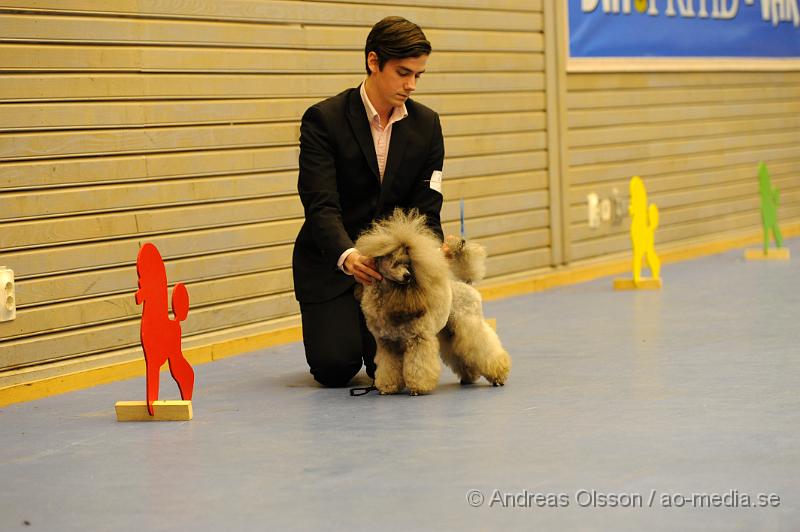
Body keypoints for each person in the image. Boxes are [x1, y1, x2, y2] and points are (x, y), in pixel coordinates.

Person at [292, 16, 445, 387]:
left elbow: (427, 206)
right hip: (334, 265)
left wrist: (437, 252)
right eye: (402, 72)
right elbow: (320, 205)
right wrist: (349, 257)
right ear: (373, 62)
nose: (410, 85)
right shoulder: (323, 120)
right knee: (335, 369)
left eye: (418, 76)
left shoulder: (427, 125)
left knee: (388, 369)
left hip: (394, 277)